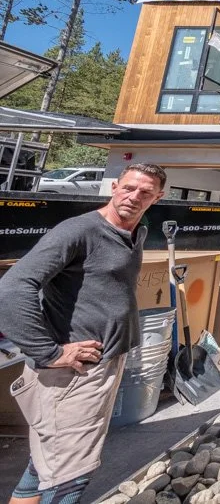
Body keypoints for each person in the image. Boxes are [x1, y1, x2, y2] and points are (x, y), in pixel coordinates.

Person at [0, 163, 167, 504]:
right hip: (73, 374)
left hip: (102, 364)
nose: (134, 197)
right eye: (128, 188)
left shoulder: (136, 231)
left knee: (46, 462)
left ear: (157, 198)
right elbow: (12, 289)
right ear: (114, 186)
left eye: (145, 193)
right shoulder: (78, 231)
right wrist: (50, 354)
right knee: (69, 477)